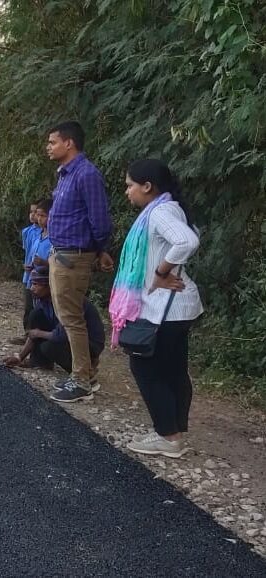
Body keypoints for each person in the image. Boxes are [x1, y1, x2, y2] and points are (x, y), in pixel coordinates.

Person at [112, 159, 203, 458]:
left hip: (168, 308)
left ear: (147, 186)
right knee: (172, 368)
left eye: (130, 186)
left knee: (146, 367)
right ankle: (173, 430)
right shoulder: (170, 208)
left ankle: (168, 435)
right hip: (180, 307)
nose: (127, 192)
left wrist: (162, 272)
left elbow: (187, 241)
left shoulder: (160, 212)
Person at [45, 121, 114, 403]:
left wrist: (101, 250)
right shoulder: (65, 175)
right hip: (60, 253)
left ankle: (82, 379)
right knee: (67, 316)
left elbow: (100, 219)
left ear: (69, 143)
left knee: (72, 318)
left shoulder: (86, 175)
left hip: (74, 256)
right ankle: (84, 373)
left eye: (52, 142)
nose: (48, 147)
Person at [4, 268, 105, 382]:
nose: (32, 288)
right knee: (35, 315)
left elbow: (61, 335)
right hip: (63, 334)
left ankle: (85, 371)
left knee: (49, 346)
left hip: (89, 343)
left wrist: (38, 333)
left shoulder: (66, 301)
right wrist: (20, 357)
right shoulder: (43, 301)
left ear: (49, 286)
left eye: (37, 284)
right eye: (32, 284)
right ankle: (40, 362)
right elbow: (34, 333)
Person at [15, 200, 43, 341]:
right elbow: (28, 251)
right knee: (28, 306)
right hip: (28, 274)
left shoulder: (45, 233)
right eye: (31, 212)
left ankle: (35, 336)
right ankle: (27, 334)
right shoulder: (27, 232)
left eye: (36, 213)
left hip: (39, 275)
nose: (33, 216)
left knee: (37, 307)